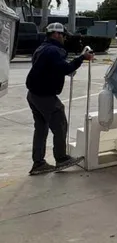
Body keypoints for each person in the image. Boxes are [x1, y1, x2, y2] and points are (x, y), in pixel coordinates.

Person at [25, 22, 94, 175]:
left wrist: (65, 68)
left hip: (33, 95)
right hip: (44, 96)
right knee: (60, 124)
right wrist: (82, 57)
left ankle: (38, 163)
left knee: (41, 129)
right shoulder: (53, 51)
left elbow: (51, 68)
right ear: (56, 34)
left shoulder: (41, 48)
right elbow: (65, 68)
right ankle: (61, 158)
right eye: (62, 35)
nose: (64, 38)